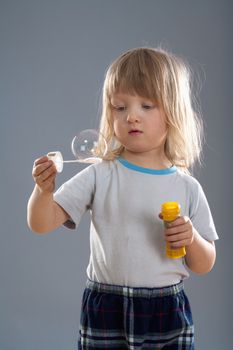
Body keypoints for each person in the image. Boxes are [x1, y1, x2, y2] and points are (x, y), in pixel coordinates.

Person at [27, 47, 218, 350]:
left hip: (166, 308)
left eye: (146, 105)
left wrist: (192, 238)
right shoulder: (100, 175)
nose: (131, 116)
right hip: (107, 305)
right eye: (119, 107)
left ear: (173, 113)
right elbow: (40, 223)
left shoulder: (187, 186)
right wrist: (43, 190)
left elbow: (204, 263)